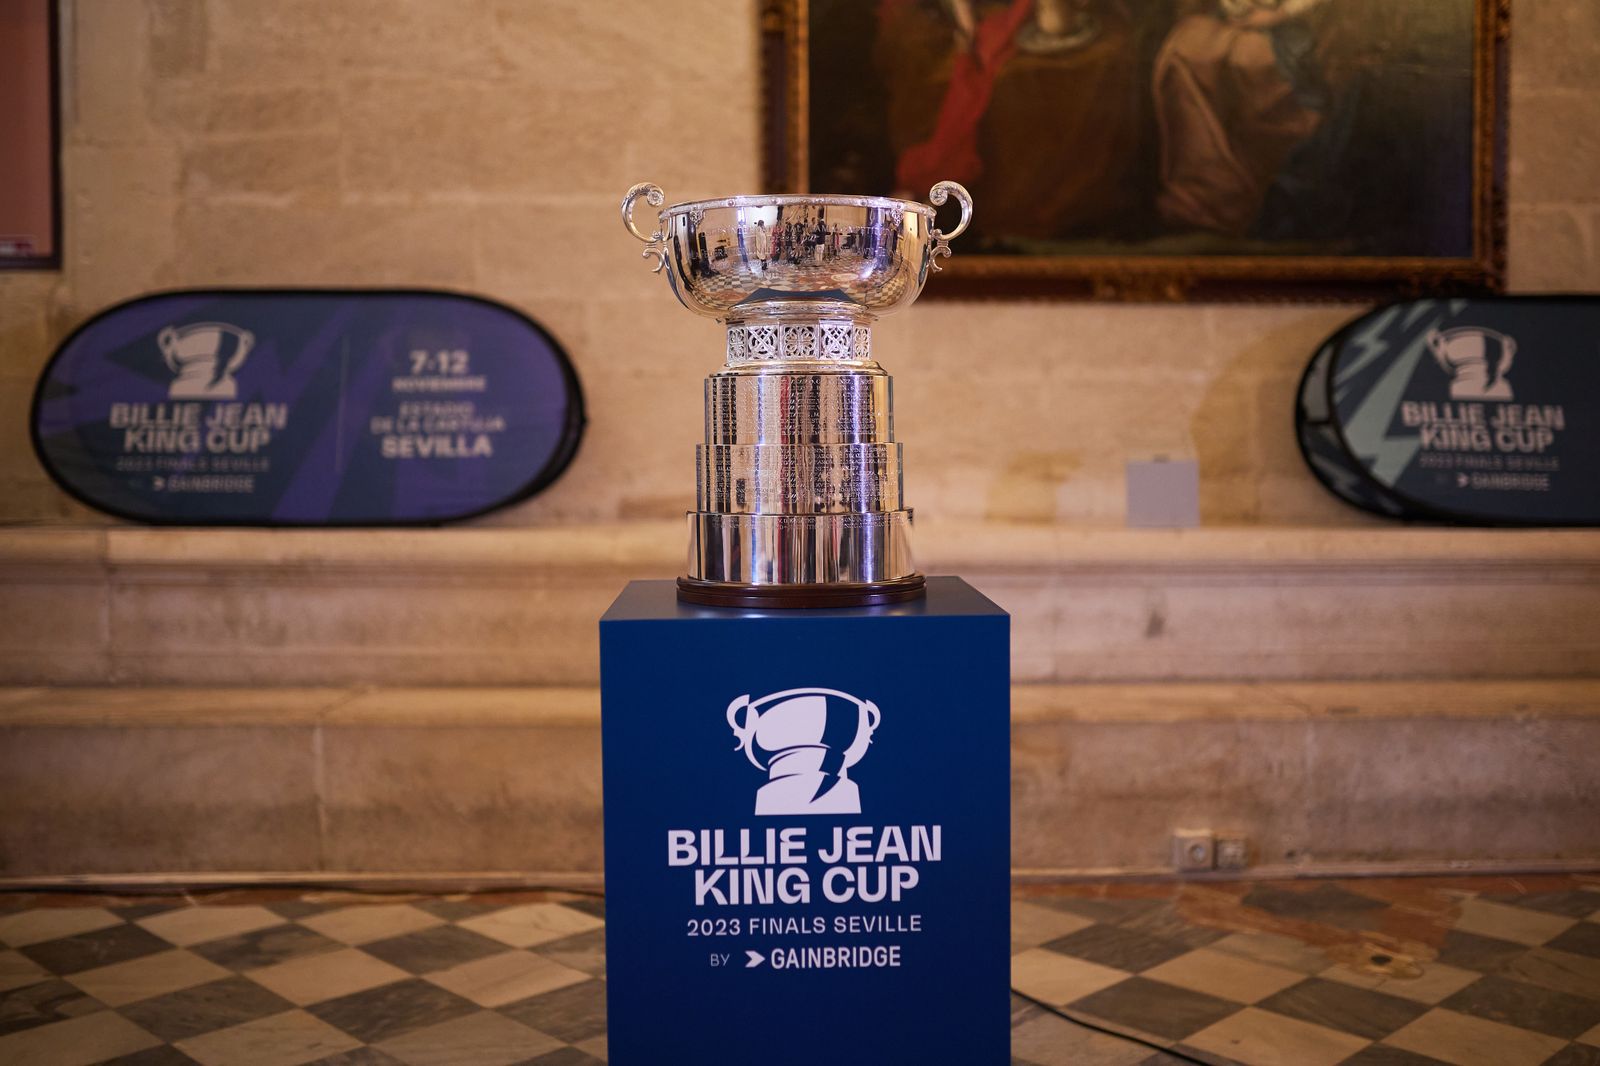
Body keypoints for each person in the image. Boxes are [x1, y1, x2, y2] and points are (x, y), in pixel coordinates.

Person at [1152, 0, 1333, 236]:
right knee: (1186, 49)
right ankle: (1203, 193)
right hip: (1235, 19)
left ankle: (1235, 199)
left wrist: (1279, 13)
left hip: (1294, 22)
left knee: (1250, 58)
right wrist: (1235, 6)